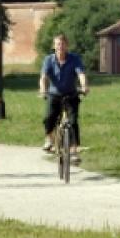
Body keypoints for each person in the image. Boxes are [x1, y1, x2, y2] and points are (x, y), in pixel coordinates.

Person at [40, 33, 88, 164]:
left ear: (67, 46)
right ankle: (49, 139)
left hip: (71, 94)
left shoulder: (74, 59)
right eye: (58, 44)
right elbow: (43, 77)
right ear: (54, 46)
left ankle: (73, 151)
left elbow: (81, 74)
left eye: (63, 44)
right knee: (49, 117)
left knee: (73, 121)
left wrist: (84, 86)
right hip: (54, 95)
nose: (60, 46)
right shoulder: (49, 60)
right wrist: (43, 89)